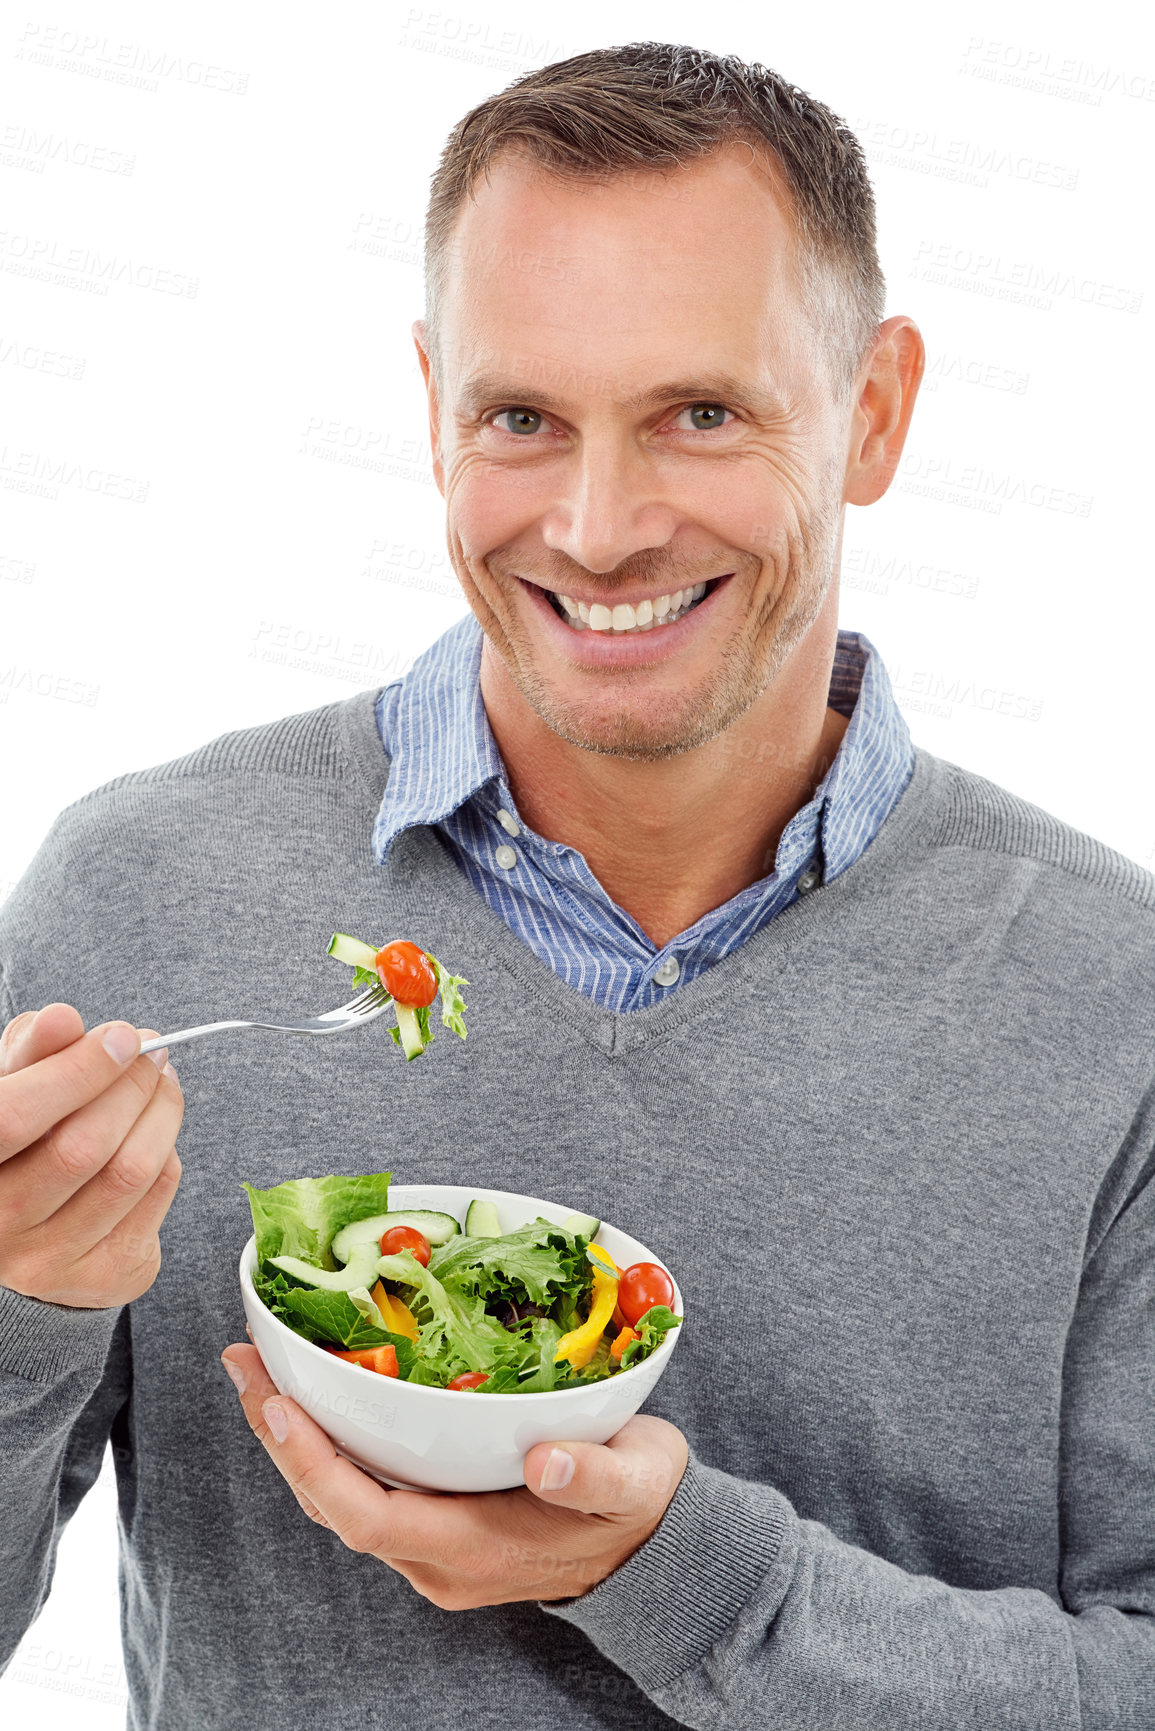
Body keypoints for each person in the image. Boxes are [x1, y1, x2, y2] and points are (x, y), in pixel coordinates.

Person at [1, 40, 1152, 1731]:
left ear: (876, 414)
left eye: (700, 414)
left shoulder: (1114, 1000)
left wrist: (671, 1574)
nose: (599, 528)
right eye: (522, 419)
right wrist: (17, 1309)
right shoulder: (144, 902)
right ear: (431, 408)